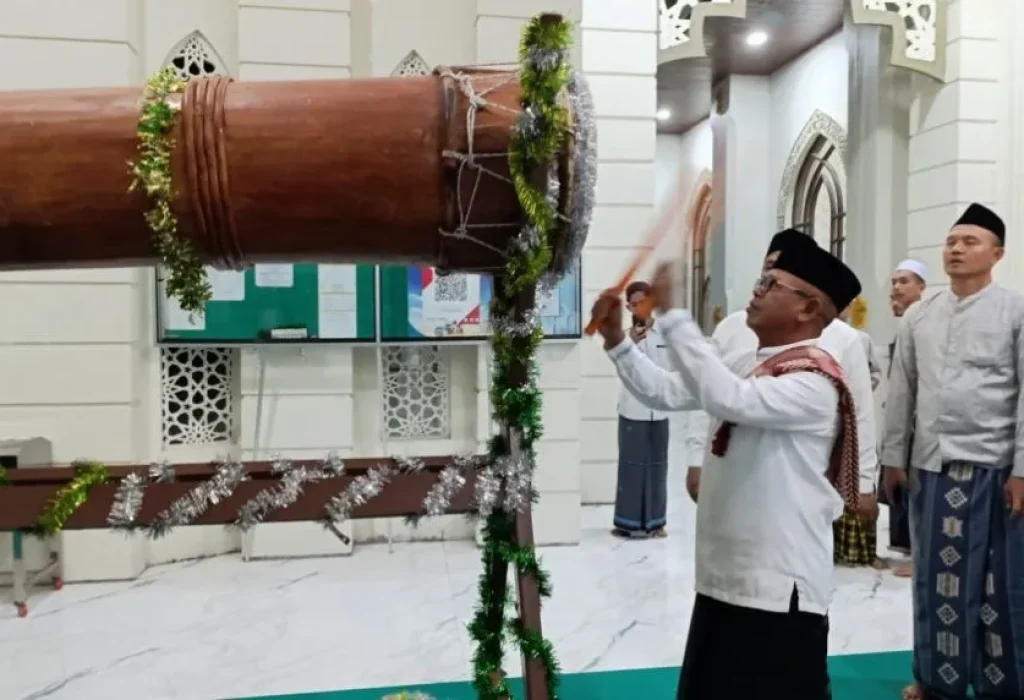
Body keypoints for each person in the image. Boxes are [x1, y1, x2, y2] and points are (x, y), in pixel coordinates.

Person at [593, 242, 863, 700]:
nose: (755, 293)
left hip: (779, 590)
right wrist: (618, 341)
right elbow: (666, 391)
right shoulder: (747, 363)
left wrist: (675, 314)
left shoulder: (816, 381)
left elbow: (728, 399)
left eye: (770, 285)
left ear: (809, 308)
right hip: (725, 580)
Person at [882, 203, 1024, 700]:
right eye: (950, 242)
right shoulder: (920, 315)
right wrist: (893, 458)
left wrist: (1022, 470)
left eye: (970, 242)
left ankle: (1000, 683)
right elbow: (902, 390)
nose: (956, 249)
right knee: (935, 581)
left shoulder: (1016, 310)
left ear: (997, 253)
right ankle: (936, 681)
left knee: (998, 585)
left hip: (997, 470)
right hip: (933, 470)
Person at [683, 230, 879, 547]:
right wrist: (696, 457)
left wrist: (865, 480)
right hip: (735, 476)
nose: (765, 282)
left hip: (801, 483)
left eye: (776, 279)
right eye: (767, 272)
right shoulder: (734, 327)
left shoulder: (842, 341)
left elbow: (860, 413)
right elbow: (703, 393)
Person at [612, 280, 671, 539]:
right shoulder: (624, 338)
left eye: (644, 303)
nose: (639, 308)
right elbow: (621, 370)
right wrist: (632, 344)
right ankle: (628, 523)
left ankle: (656, 523)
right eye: (634, 304)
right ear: (628, 307)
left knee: (657, 466)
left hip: (659, 411)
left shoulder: (666, 335)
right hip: (632, 410)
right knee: (632, 466)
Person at [883, 258, 927, 578]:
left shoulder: (925, 323)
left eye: (905, 281)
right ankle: (907, 549)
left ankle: (919, 555)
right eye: (895, 281)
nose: (897, 287)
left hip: (921, 423)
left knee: (916, 486)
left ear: (922, 287)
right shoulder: (905, 323)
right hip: (902, 419)